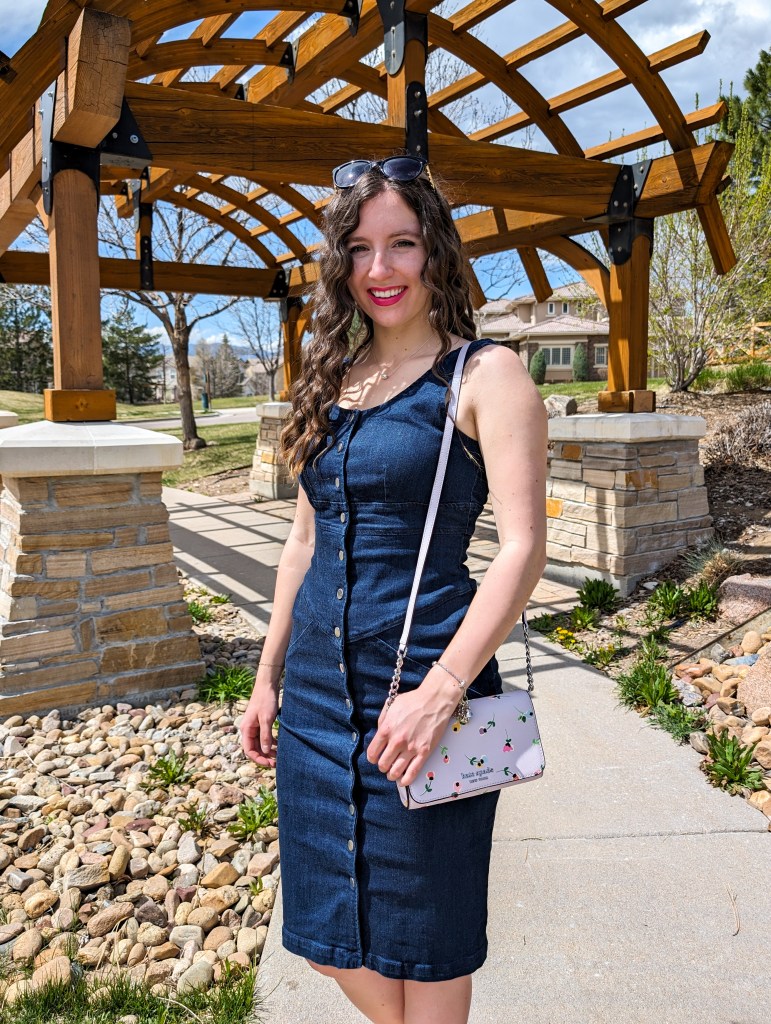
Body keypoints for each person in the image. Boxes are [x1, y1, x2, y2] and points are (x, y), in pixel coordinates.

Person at [240, 155, 547, 1024]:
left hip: (424, 691)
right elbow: (303, 539)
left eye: (401, 243)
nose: (381, 269)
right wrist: (267, 676)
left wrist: (440, 692)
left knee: (428, 934)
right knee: (323, 932)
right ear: (339, 263)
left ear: (433, 252)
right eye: (360, 248)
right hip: (315, 702)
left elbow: (522, 547)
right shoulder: (329, 378)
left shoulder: (487, 377)